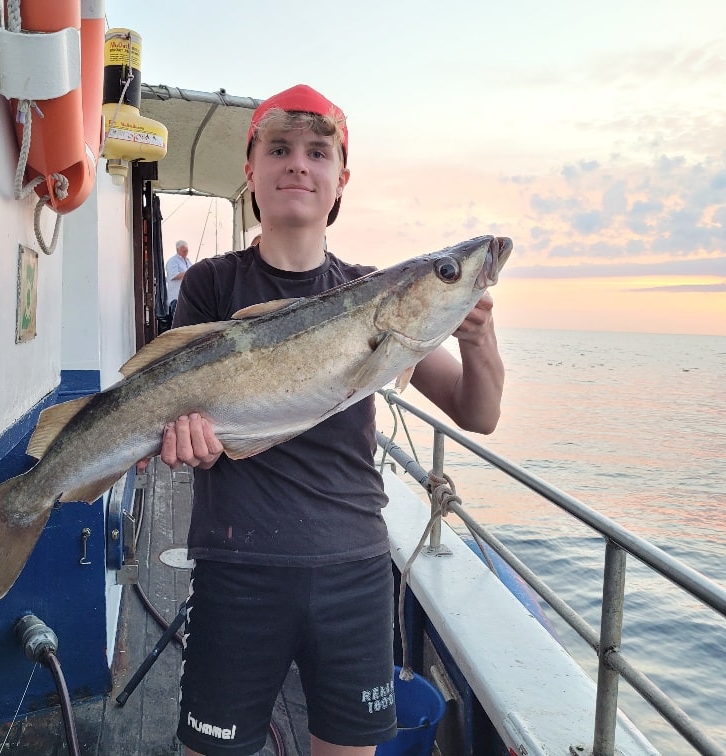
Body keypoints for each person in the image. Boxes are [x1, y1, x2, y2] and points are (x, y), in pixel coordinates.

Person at [153, 84, 504, 756]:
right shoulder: (212, 287)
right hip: (237, 562)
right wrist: (191, 443)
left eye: (318, 153)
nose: (298, 165)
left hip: (353, 568)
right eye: (279, 149)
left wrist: (474, 335)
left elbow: (477, 414)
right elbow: (183, 414)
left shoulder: (382, 296)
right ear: (251, 171)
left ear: (340, 180)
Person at [165, 239, 191, 325]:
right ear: (178, 249)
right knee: (176, 322)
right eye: (183, 250)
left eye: (186, 250)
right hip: (176, 297)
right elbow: (174, 275)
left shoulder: (188, 261)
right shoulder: (173, 261)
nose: (185, 252)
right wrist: (188, 273)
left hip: (186, 297)